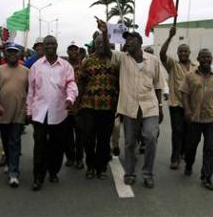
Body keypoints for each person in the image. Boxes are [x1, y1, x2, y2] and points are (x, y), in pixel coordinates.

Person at [100, 21, 165, 189]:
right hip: (129, 107)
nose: (127, 42)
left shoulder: (153, 60)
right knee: (129, 142)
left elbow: (158, 85)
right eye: (125, 40)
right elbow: (107, 52)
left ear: (140, 43)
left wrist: (160, 106)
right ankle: (129, 173)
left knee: (151, 137)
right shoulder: (122, 59)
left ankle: (148, 173)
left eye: (130, 40)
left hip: (149, 106)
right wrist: (105, 32)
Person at [27, 35, 78, 191]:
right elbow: (31, 90)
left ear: (56, 45)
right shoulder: (36, 66)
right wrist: (28, 110)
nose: (49, 46)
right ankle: (38, 177)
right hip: (39, 113)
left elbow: (71, 84)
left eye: (52, 44)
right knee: (40, 145)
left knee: (57, 146)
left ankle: (54, 171)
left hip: (59, 111)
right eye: (46, 44)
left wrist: (70, 98)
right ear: (43, 46)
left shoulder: (65, 66)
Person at [78, 32, 119, 180]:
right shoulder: (87, 61)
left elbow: (120, 84)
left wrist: (119, 103)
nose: (100, 45)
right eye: (98, 43)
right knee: (88, 139)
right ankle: (90, 166)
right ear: (94, 45)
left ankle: (101, 168)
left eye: (103, 43)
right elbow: (81, 82)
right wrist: (78, 103)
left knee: (103, 139)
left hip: (108, 107)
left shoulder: (114, 61)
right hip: (89, 105)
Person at [0, 43, 29, 187]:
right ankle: (10, 161)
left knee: (15, 141)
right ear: (5, 54)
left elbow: (31, 92)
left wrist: (28, 109)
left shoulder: (26, 71)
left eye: (15, 52)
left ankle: (14, 173)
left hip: (20, 113)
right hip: (2, 112)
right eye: (9, 52)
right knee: (5, 141)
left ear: (19, 54)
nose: (12, 54)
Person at [180, 49, 213, 191]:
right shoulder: (190, 75)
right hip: (195, 119)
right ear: (198, 58)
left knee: (210, 149)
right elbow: (184, 94)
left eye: (208, 57)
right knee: (191, 147)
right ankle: (189, 164)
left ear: (211, 59)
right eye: (202, 57)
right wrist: (187, 110)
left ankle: (206, 177)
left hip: (212, 118)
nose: (205, 59)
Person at [160, 26, 197, 170]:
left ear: (189, 53)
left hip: (192, 106)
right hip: (176, 104)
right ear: (177, 53)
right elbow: (162, 54)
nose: (183, 53)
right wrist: (170, 37)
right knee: (177, 131)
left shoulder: (196, 66)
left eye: (185, 51)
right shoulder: (173, 65)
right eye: (180, 51)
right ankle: (175, 158)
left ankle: (183, 153)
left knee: (189, 132)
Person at [64, 42, 84, 170]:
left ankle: (79, 159)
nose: (73, 52)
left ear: (78, 52)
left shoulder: (84, 66)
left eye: (75, 49)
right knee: (67, 135)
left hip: (81, 106)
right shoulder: (63, 67)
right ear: (67, 52)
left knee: (80, 135)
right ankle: (70, 157)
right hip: (66, 107)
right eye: (70, 49)